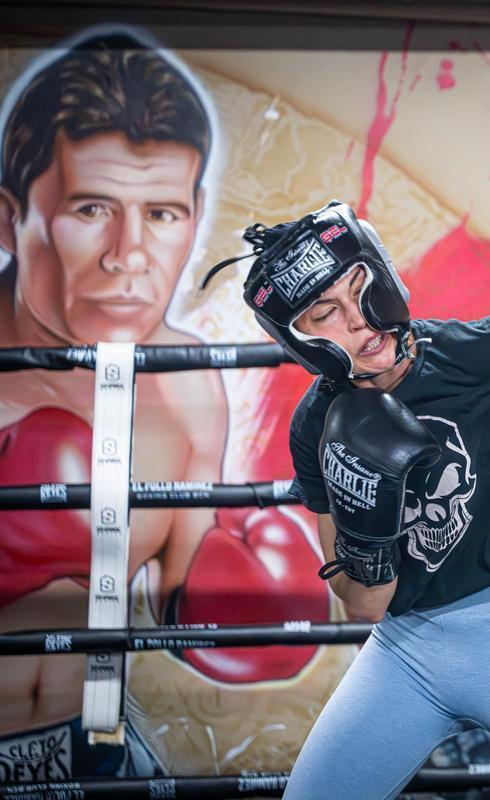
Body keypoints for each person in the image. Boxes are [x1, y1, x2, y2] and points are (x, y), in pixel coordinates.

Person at [209, 199, 490, 799]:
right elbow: (364, 604)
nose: (358, 320)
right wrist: (367, 539)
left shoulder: (486, 354)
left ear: (386, 276)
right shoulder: (316, 423)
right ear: (299, 340)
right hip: (409, 652)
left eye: (361, 289)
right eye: (326, 312)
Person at [0, 29, 326, 779]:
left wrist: (259, 593)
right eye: (91, 209)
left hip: (93, 749)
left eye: (162, 214)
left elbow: (185, 602)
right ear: (10, 218)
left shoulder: (186, 386)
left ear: (197, 210)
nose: (128, 255)